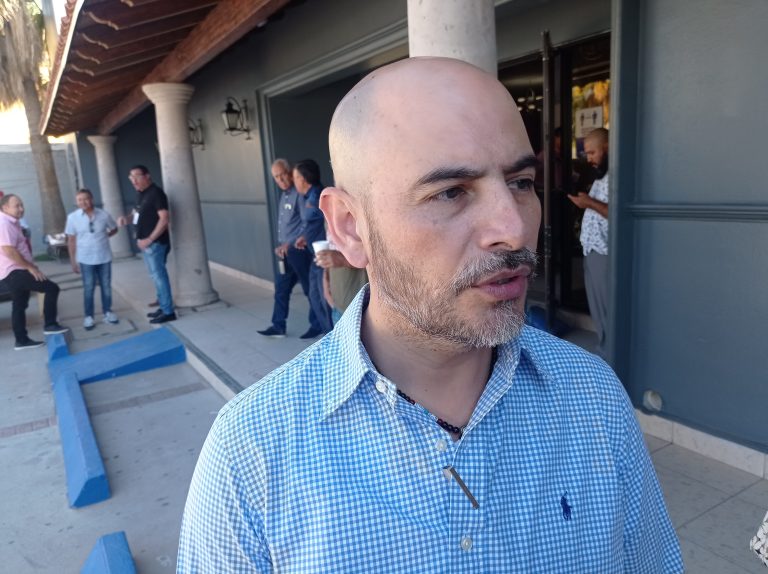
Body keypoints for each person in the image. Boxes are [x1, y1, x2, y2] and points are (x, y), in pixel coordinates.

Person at [177, 58, 682, 572]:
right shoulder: (253, 453)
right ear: (349, 227)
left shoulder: (592, 396)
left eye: (521, 182)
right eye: (450, 192)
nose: (513, 228)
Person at [257, 159, 324, 339]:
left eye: (283, 175)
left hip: (299, 251)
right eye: (276, 177)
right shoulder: (284, 195)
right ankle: (278, 325)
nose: (280, 180)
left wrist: (291, 242)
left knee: (311, 289)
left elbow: (306, 223)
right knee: (281, 289)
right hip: (285, 253)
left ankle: (317, 325)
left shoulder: (300, 194)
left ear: (289, 173)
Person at [0, 193, 68, 350]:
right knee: (51, 288)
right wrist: (29, 267)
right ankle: (50, 325)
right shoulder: (4, 223)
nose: (21, 209)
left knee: (19, 305)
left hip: (15, 270)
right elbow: (9, 250)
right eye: (17, 206)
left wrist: (31, 265)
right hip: (15, 271)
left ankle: (21, 340)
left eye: (21, 205)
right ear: (5, 207)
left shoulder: (12, 222)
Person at [568, 128, 609, 355]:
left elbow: (616, 213)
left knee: (606, 307)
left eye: (593, 152)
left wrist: (588, 203)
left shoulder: (618, 175)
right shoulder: (602, 174)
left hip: (604, 250)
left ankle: (610, 352)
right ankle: (605, 348)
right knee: (597, 306)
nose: (589, 159)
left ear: (607, 148)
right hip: (592, 247)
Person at [117, 165, 176, 324]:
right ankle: (163, 306)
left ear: (147, 176)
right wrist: (126, 219)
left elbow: (164, 218)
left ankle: (168, 311)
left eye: (137, 176)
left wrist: (149, 239)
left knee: (159, 277)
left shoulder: (156, 193)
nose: (133, 180)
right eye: (131, 177)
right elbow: (136, 214)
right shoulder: (141, 194)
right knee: (155, 277)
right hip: (146, 244)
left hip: (155, 243)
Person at [65, 188, 120, 330]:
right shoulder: (72, 218)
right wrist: (73, 261)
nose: (83, 202)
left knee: (106, 286)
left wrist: (105, 236)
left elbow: (114, 228)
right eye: (79, 200)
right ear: (76, 202)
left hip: (104, 257)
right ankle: (88, 317)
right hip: (85, 258)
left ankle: (108, 312)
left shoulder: (104, 215)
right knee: (88, 288)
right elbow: (71, 240)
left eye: (86, 199)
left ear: (92, 199)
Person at [292, 159, 332, 336]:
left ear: (303, 179)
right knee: (316, 296)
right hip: (316, 255)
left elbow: (318, 219)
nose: (294, 182)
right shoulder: (308, 196)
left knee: (322, 297)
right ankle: (327, 332)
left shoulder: (317, 197)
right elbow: (312, 224)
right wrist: (304, 237)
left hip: (324, 256)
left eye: (295, 177)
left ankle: (331, 334)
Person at [315, 246, 368, 325]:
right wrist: (326, 287)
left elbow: (381, 260)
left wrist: (342, 260)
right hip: (338, 308)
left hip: (361, 313)